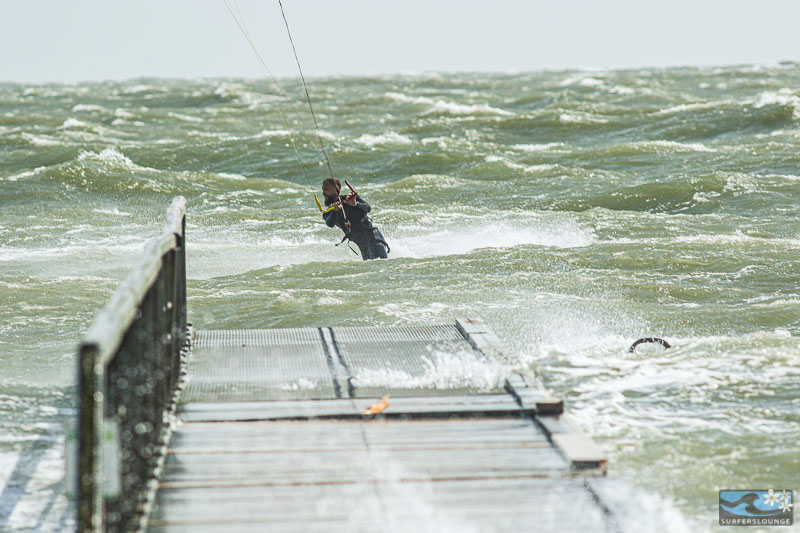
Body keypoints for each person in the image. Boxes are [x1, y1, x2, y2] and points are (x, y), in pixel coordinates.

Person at [321, 177, 389, 260]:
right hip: (360, 241)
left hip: (373, 236)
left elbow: (368, 208)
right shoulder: (329, 211)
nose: (324, 193)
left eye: (327, 189)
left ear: (337, 188)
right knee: (370, 266)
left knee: (381, 262)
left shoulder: (350, 198)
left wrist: (356, 204)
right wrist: (335, 211)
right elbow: (330, 223)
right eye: (323, 190)